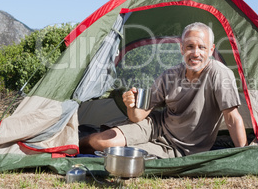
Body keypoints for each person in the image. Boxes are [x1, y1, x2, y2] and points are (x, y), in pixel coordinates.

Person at [79, 22, 248, 157]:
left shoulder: (219, 73)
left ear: (211, 50)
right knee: (103, 142)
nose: (195, 53)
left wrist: (244, 154)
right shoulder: (170, 75)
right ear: (182, 49)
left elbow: (232, 118)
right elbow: (138, 117)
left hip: (179, 148)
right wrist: (131, 106)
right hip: (155, 125)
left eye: (202, 47)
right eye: (189, 46)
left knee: (119, 154)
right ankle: (69, 145)